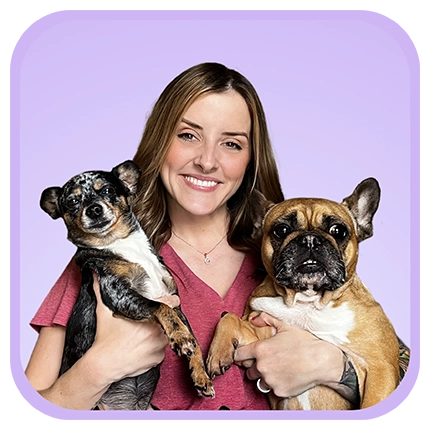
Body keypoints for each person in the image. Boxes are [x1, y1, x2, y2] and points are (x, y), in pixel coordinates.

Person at [25, 62, 408, 411]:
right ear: (161, 142)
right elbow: (26, 412)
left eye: (231, 143)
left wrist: (332, 366)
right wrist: (98, 368)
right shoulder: (108, 260)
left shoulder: (290, 257)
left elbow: (397, 368)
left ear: (250, 158)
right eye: (189, 135)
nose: (207, 160)